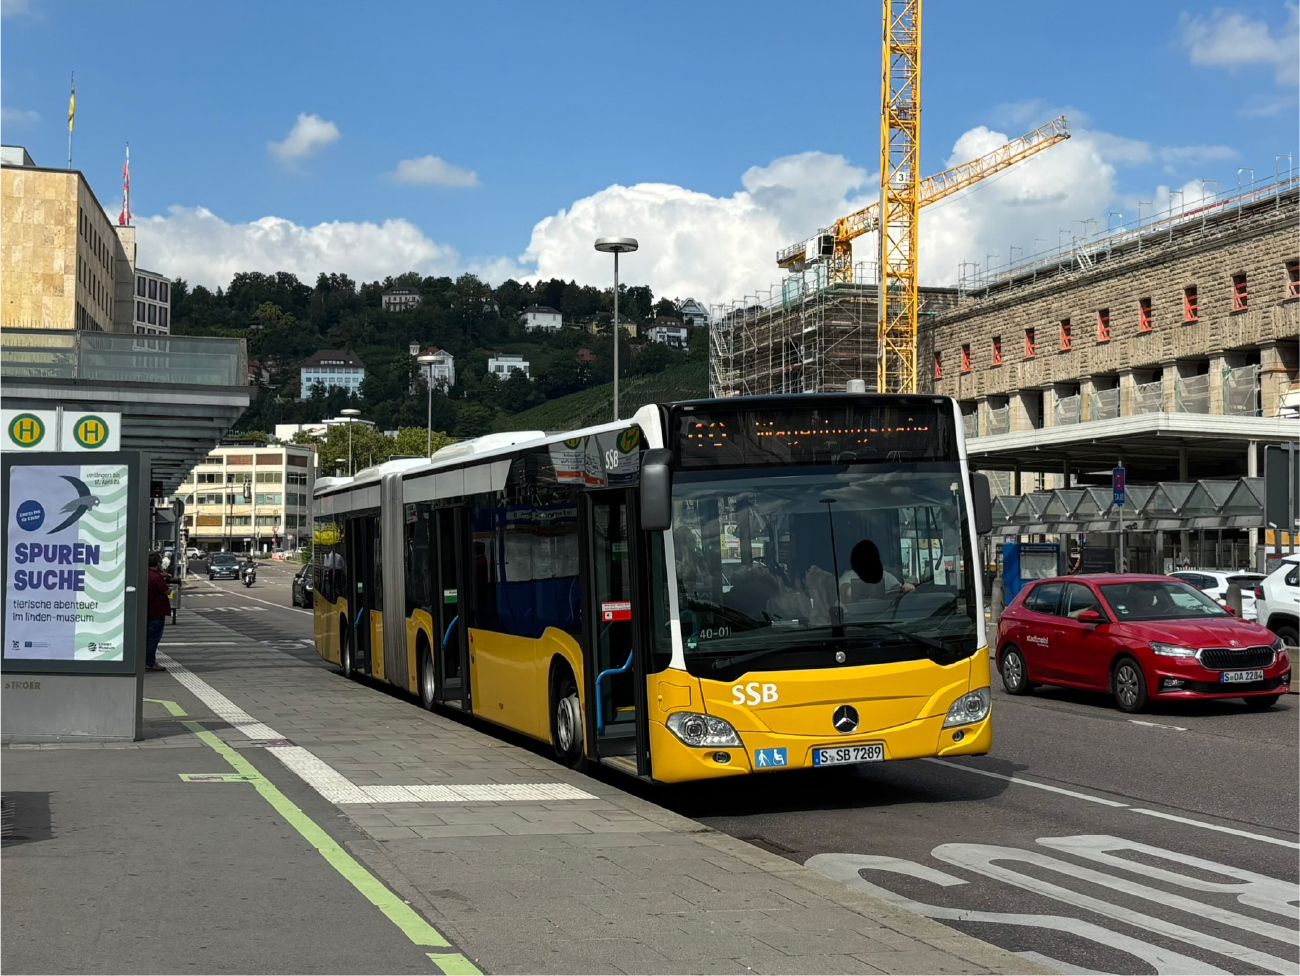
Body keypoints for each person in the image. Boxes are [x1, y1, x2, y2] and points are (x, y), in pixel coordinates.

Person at [145, 552, 170, 672]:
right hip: (156, 611)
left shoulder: (145, 574)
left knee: (146, 637)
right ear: (157, 563)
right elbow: (167, 591)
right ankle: (150, 662)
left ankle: (145, 660)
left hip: (146, 610)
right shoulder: (156, 577)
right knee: (153, 638)